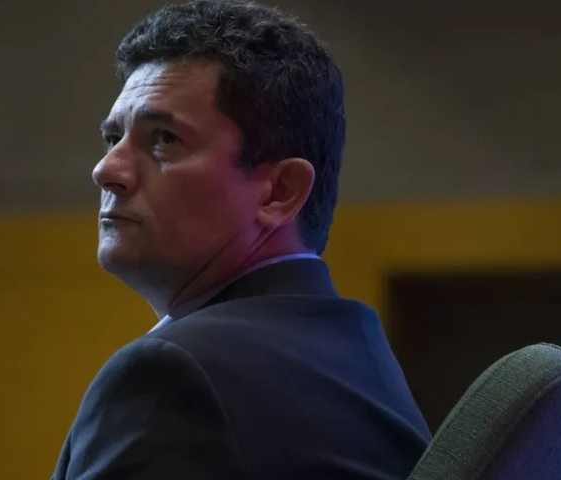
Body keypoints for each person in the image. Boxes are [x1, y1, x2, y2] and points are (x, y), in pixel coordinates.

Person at [51, 1, 431, 479]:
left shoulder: (173, 376)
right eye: (113, 138)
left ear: (279, 191)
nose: (106, 170)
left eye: (164, 139)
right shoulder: (355, 353)